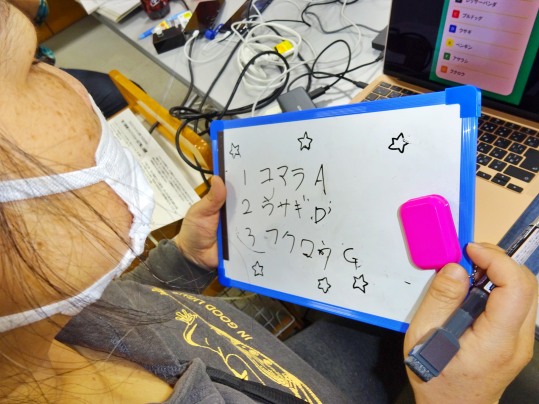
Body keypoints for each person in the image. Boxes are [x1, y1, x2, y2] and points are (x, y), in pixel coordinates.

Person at [0, 1, 537, 402]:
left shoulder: (36, 325)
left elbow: (118, 316)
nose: (74, 83)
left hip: (290, 361)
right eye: (33, 65)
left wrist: (181, 262)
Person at [9, 0, 129, 119]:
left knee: (121, 93)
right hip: (11, 99)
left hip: (35, 71)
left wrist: (65, 82)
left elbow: (41, 10)